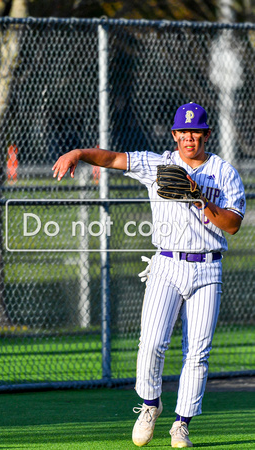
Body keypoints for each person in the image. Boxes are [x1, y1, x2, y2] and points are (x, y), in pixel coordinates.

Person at [52, 102, 246, 448]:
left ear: (207, 134)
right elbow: (112, 159)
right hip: (166, 264)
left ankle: (181, 423)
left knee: (197, 352)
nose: (190, 137)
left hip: (208, 267)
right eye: (183, 131)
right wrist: (78, 153)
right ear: (174, 135)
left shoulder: (223, 173)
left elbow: (233, 225)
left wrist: (199, 195)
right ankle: (150, 405)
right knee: (152, 342)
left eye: (196, 131)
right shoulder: (157, 164)